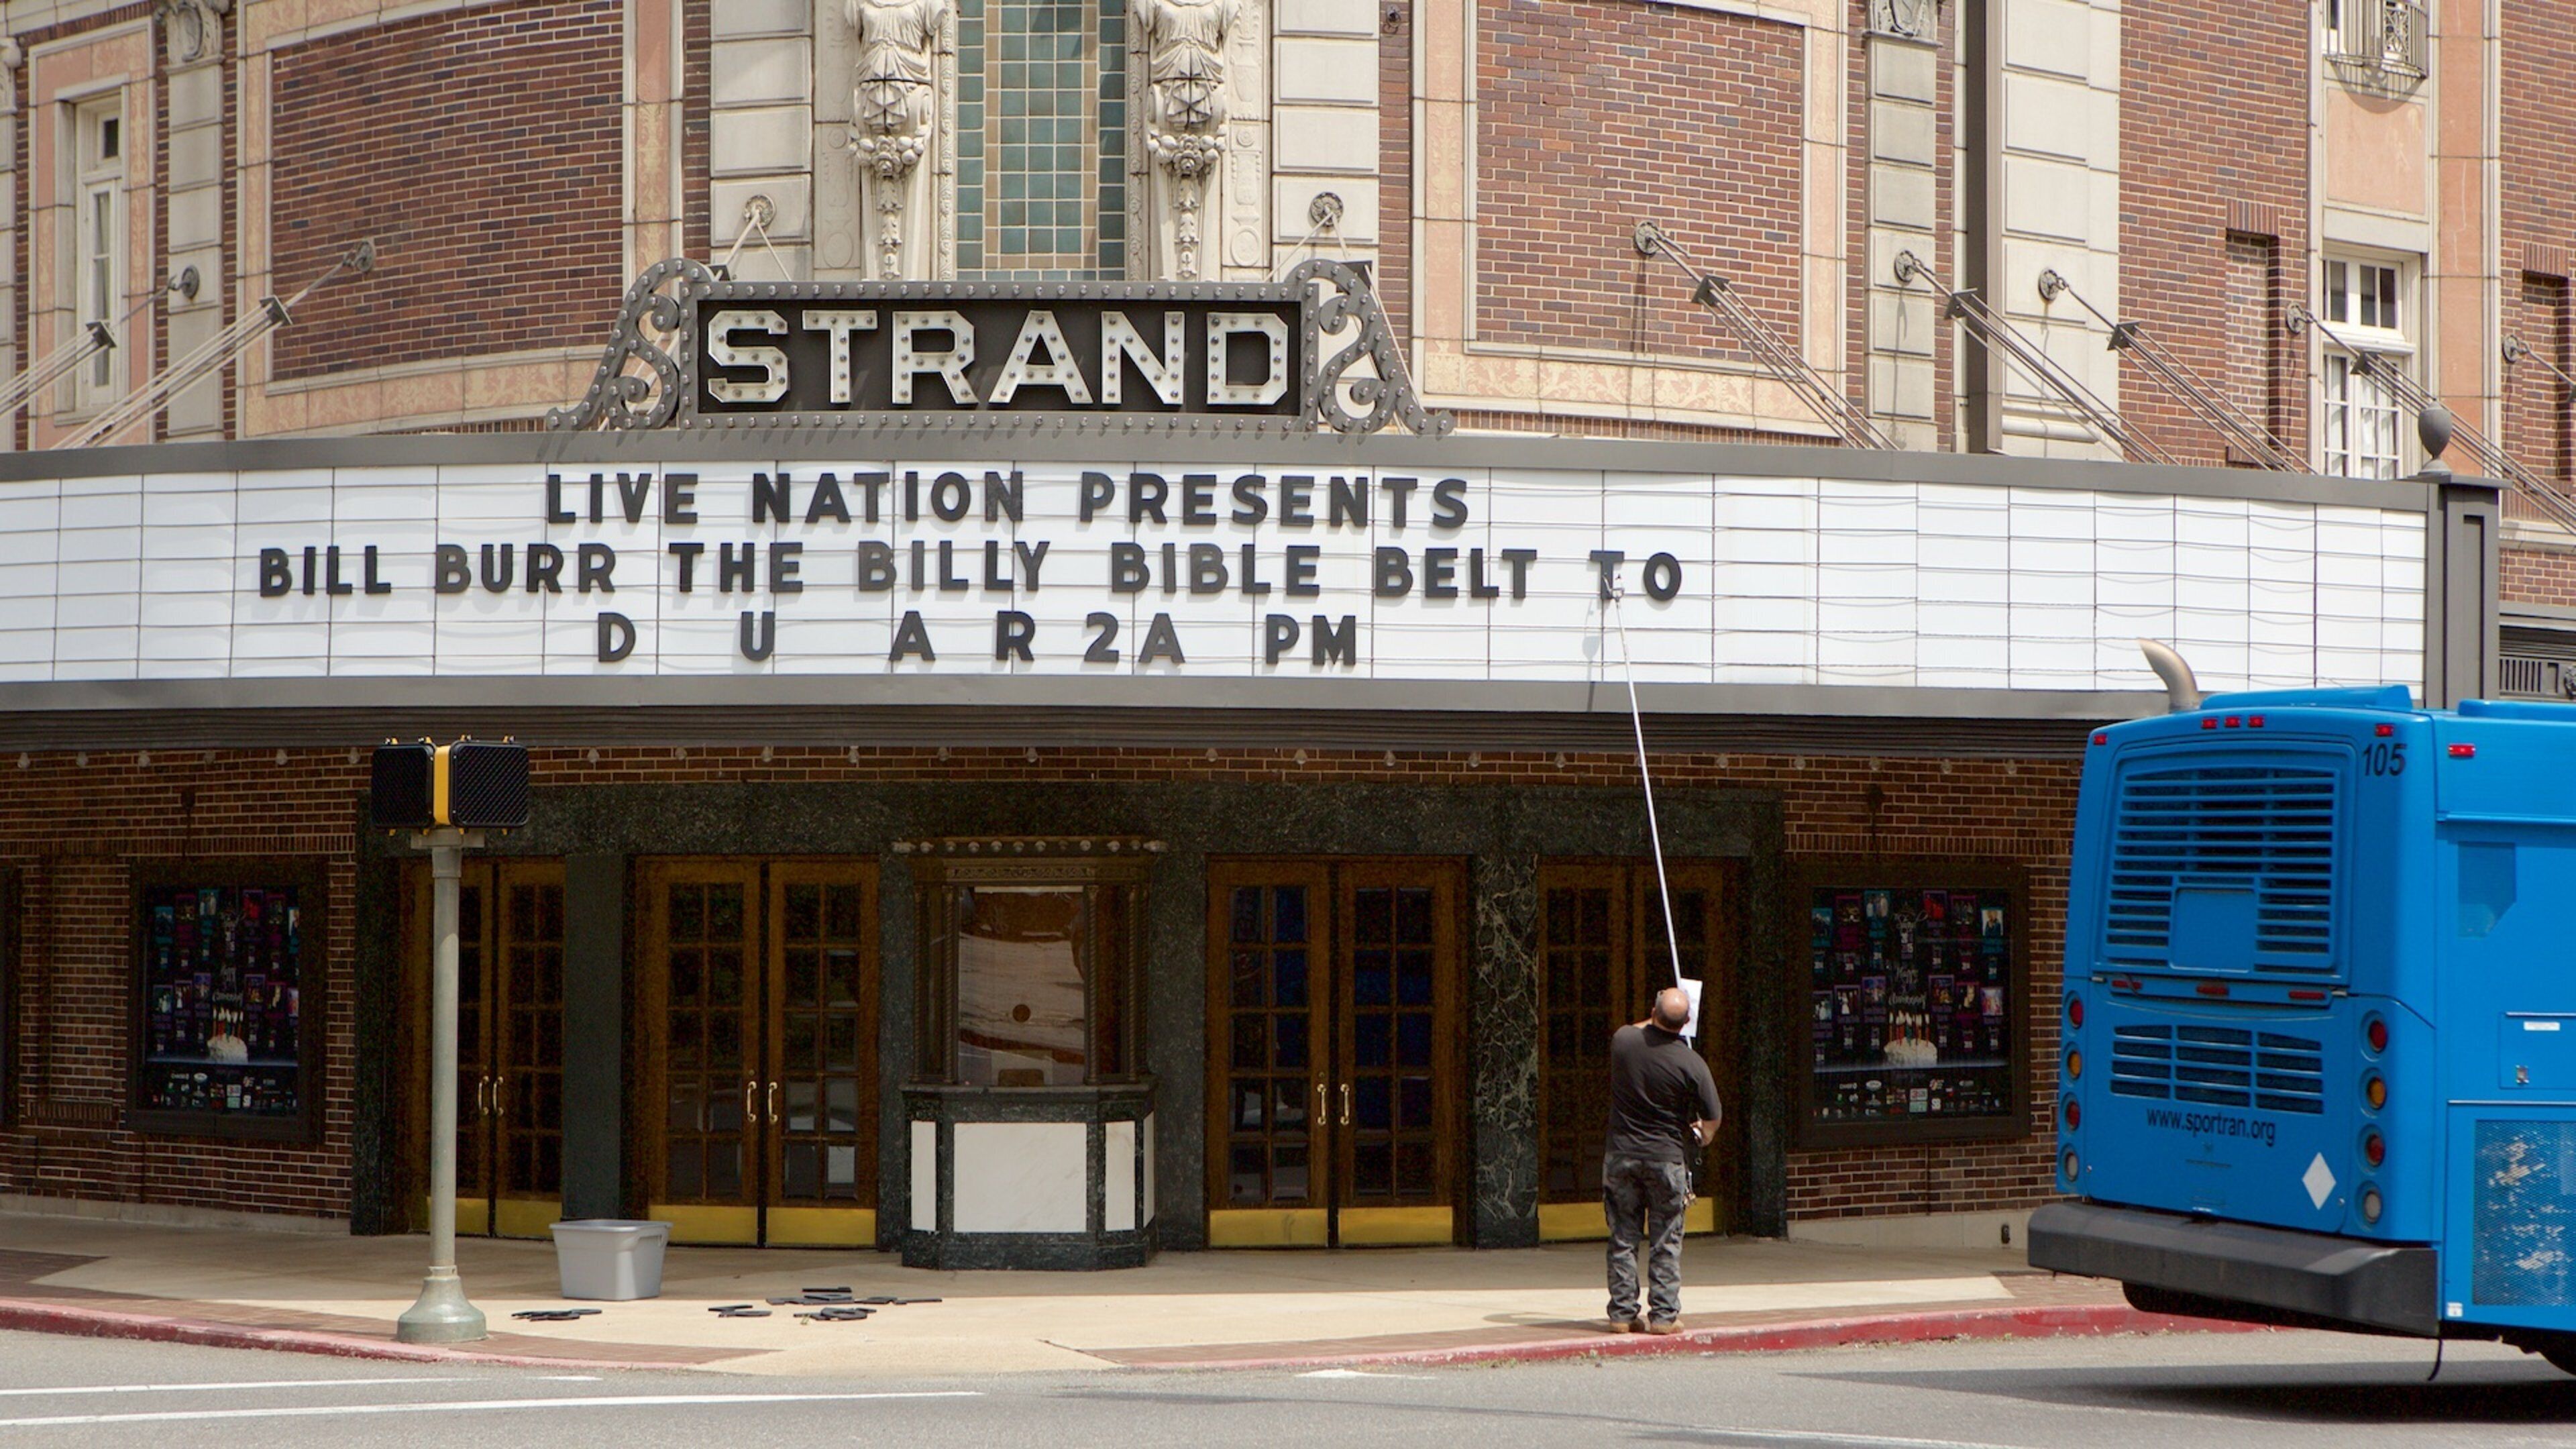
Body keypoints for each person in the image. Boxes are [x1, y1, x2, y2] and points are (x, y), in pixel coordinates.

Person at [1603, 986, 1721, 1335]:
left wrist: (1662, 1013)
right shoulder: (1692, 1062)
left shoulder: (1624, 1041)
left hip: (1622, 1155)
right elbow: (1712, 1118)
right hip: (1666, 1158)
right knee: (1666, 1239)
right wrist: (1705, 1135)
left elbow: (1641, 1028)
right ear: (1686, 1022)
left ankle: (1622, 1314)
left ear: (1653, 1011)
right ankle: (1664, 1317)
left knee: (1623, 1237)